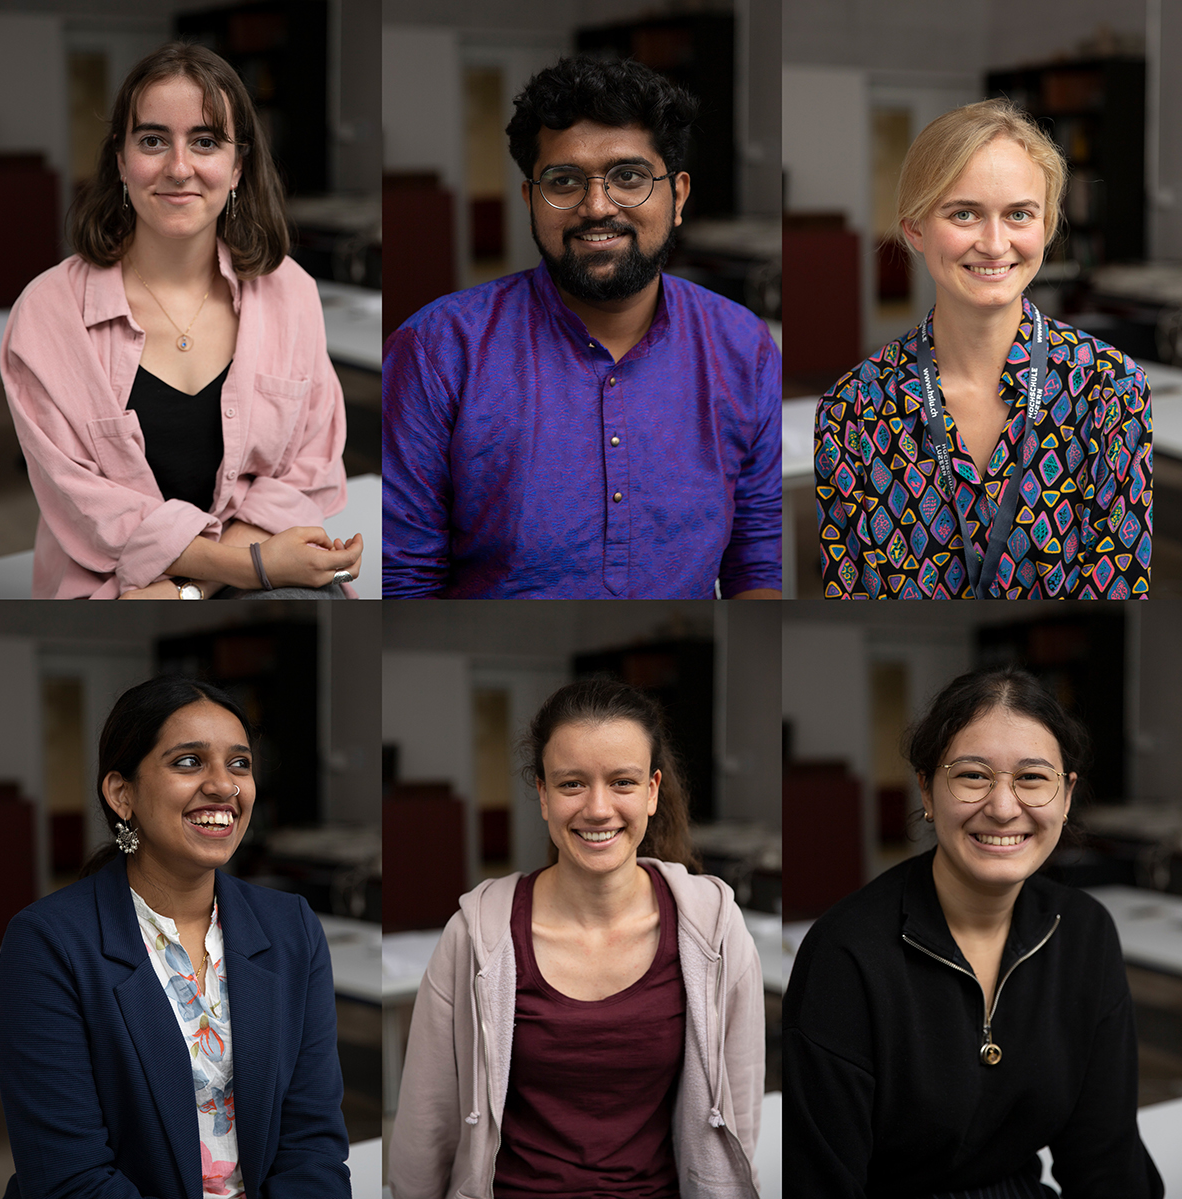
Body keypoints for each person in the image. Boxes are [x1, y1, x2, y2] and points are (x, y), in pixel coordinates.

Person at [383, 56, 782, 599]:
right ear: (530, 199)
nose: (597, 207)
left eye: (629, 177)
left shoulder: (744, 346)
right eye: (564, 181)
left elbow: (756, 568)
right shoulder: (439, 349)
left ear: (679, 196)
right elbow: (404, 581)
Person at [0, 43, 363, 599]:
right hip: (113, 586)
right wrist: (249, 569)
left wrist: (200, 586)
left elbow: (308, 469)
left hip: (262, 556)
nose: (178, 167)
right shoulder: (47, 313)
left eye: (205, 141)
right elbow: (87, 507)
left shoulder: (290, 292)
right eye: (152, 141)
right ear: (121, 161)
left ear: (238, 166)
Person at [784, 667, 1161, 1197]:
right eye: (972, 776)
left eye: (1032, 778)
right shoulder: (846, 955)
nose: (1004, 808)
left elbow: (1105, 1157)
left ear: (1066, 795)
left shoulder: (1083, 933)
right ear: (928, 790)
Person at [392, 679, 763, 1198]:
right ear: (542, 795)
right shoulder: (476, 937)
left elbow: (736, 1123)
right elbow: (425, 1123)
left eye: (622, 782)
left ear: (652, 791)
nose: (597, 808)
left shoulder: (714, 933)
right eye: (571, 784)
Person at [0, 677, 351, 1194]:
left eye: (239, 763)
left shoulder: (291, 925)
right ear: (122, 794)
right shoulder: (49, 941)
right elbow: (71, 1178)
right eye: (189, 762)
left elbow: (312, 1142)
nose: (223, 786)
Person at [815, 100, 1151, 598]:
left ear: (1047, 227)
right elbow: (847, 592)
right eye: (964, 213)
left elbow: (1121, 588)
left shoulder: (1112, 390)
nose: (995, 245)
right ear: (915, 229)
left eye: (1019, 214)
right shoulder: (852, 410)